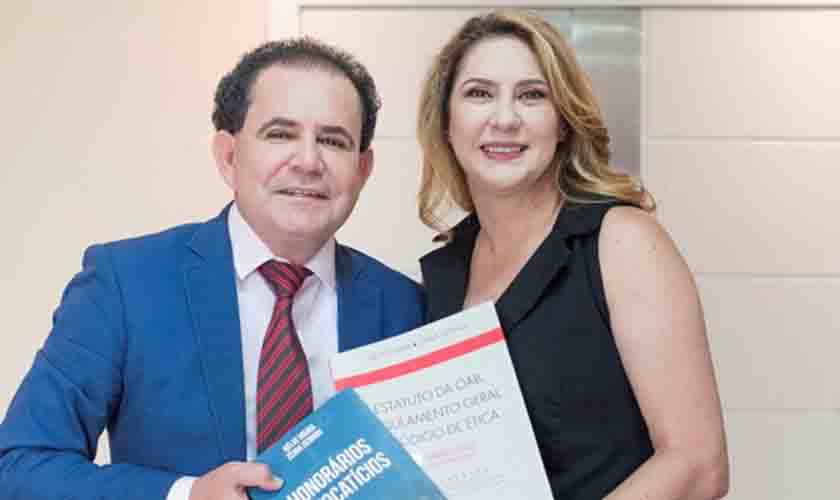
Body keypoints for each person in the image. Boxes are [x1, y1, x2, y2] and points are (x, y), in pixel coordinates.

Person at [0, 38, 425, 500]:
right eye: (280, 134)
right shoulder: (125, 283)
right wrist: (186, 495)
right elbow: (19, 466)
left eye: (333, 141)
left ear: (362, 169)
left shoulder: (406, 307)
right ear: (228, 156)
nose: (308, 161)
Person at [416, 10, 728, 500]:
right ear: (447, 123)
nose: (505, 119)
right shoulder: (447, 269)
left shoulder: (621, 242)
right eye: (479, 93)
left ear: (563, 122)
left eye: (532, 95)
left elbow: (697, 466)